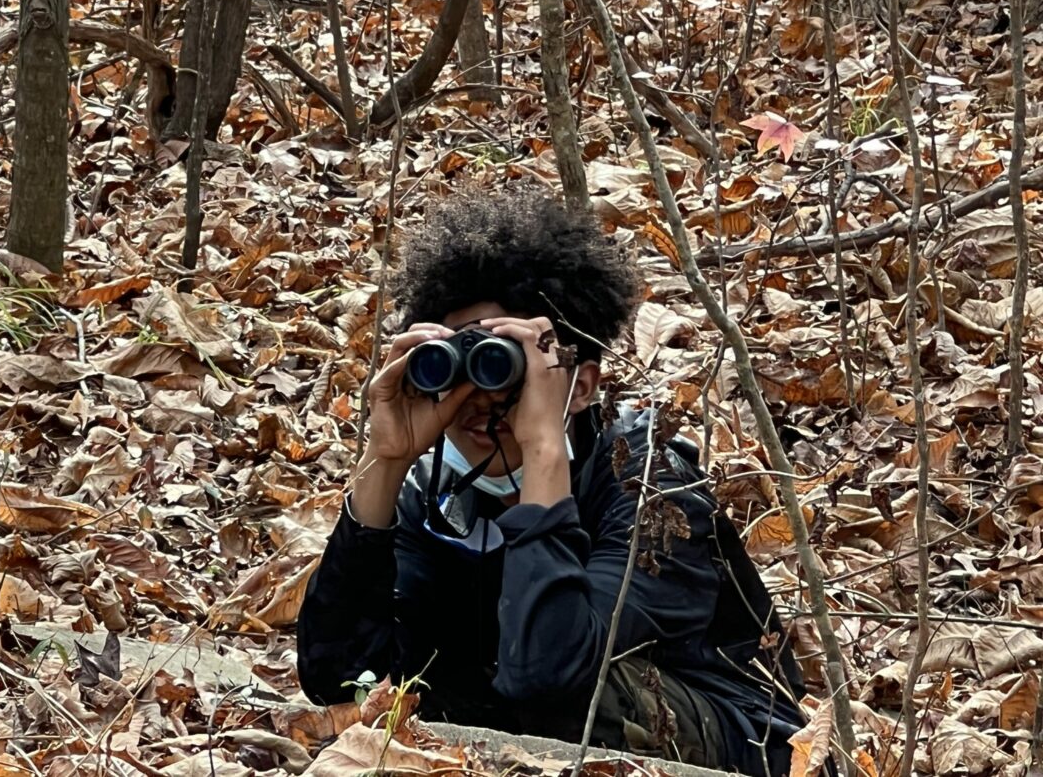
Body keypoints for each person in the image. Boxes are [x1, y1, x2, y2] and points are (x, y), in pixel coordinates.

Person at [297, 186, 808, 776]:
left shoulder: (648, 482)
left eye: (504, 362)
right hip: (530, 724)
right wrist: (384, 463)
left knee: (576, 681)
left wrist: (543, 447)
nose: (484, 398)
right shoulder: (437, 497)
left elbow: (551, 673)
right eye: (461, 364)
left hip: (732, 742)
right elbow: (335, 674)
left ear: (582, 385)